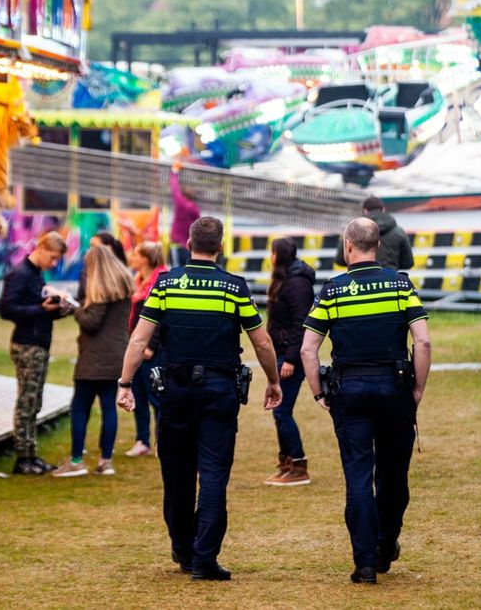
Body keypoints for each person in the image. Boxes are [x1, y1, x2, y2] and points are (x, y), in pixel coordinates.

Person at [117, 216, 281, 581]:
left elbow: (139, 340)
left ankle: (182, 549)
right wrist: (273, 380)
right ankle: (204, 558)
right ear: (220, 248)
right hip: (219, 392)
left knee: (176, 473)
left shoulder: (165, 283)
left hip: (175, 391)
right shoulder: (233, 288)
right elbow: (262, 341)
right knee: (213, 475)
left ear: (188, 244)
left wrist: (125, 383)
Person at [301, 217, 432, 585]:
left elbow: (309, 349)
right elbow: (422, 341)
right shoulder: (400, 286)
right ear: (376, 244)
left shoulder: (334, 290)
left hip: (350, 393)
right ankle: (385, 544)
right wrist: (417, 389)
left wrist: (318, 392)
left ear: (348, 246)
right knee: (393, 475)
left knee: (358, 475)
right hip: (395, 390)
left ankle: (365, 564)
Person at [54, 246, 135, 477]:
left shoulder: (101, 288)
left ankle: (77, 460)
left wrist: (74, 308)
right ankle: (105, 460)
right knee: (109, 407)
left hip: (94, 358)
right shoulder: (123, 282)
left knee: (80, 407)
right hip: (117, 355)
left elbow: (91, 322)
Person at [0, 232, 67, 475]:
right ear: (41, 248)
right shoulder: (20, 274)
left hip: (38, 344)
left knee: (34, 401)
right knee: (27, 402)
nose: (54, 263)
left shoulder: (36, 275)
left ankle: (31, 454)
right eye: (53, 257)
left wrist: (59, 309)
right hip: (27, 345)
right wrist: (40, 309)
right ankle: (23, 457)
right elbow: (6, 309)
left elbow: (40, 310)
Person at [262, 237, 316, 487]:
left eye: (272, 252)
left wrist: (291, 359)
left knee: (282, 411)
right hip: (280, 353)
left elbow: (302, 324)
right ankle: (286, 462)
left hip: (289, 356)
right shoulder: (284, 279)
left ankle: (298, 464)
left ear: (278, 255)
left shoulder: (296, 284)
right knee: (278, 411)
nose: (269, 257)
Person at [124, 242, 168, 458]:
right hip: (137, 348)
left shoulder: (161, 280)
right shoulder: (139, 281)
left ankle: (164, 440)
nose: (131, 257)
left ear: (145, 258)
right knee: (139, 395)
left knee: (157, 396)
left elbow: (162, 318)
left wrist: (151, 346)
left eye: (135, 253)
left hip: (152, 351)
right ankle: (142, 440)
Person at [334, 196, 413, 270]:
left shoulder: (352, 231)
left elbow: (340, 260)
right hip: (389, 280)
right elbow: (407, 263)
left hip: (360, 279)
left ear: (365, 210)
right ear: (383, 209)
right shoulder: (398, 231)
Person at [168, 163, 201, 269]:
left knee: (176, 272)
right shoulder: (196, 210)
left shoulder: (181, 203)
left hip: (177, 246)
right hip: (189, 248)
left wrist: (174, 173)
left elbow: (174, 189)